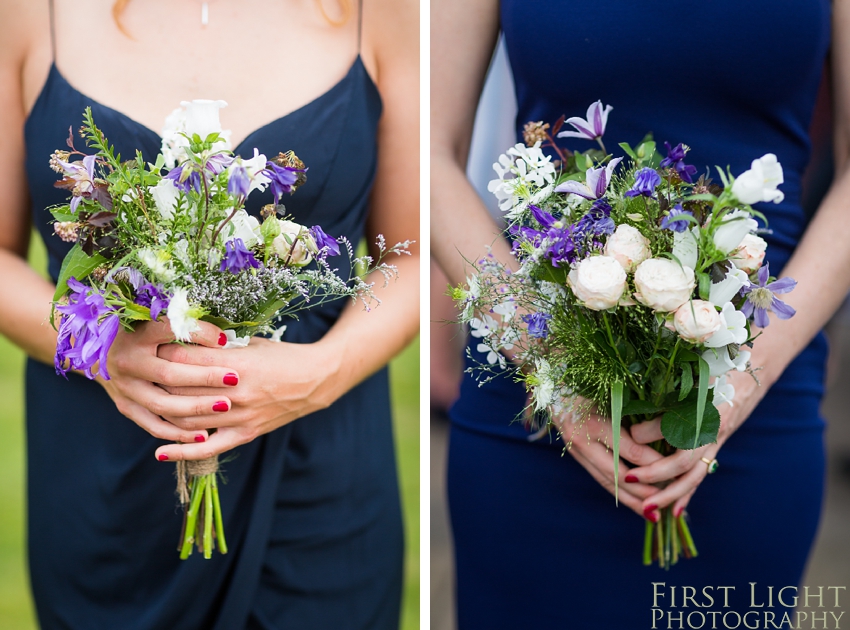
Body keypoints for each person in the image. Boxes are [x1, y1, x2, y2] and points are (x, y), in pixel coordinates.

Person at [0, 0, 419, 628]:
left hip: (318, 483)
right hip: (105, 495)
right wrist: (97, 345)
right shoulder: (32, 13)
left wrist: (321, 372)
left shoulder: (383, 11)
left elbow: (411, 257)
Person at [431, 1, 844, 627]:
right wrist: (551, 362)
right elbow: (426, 148)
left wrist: (738, 376)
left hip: (755, 389)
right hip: (534, 401)